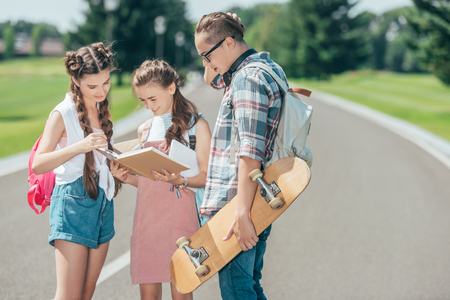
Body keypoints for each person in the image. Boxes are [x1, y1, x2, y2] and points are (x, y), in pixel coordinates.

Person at [194, 12, 289, 299]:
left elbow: (250, 150)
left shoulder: (247, 79)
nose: (206, 64)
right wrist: (214, 49)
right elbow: (216, 80)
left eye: (207, 56)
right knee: (250, 285)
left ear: (229, 43)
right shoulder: (265, 67)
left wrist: (241, 214)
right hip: (257, 198)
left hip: (240, 202)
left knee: (237, 290)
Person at [110, 59, 211, 300]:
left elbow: (207, 177)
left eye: (152, 99)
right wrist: (126, 177)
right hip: (147, 220)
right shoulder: (144, 129)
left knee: (181, 293)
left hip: (180, 219)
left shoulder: (197, 126)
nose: (148, 106)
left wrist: (181, 181)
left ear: (172, 88)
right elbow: (150, 182)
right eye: (143, 100)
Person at [32, 42, 123, 300]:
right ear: (75, 80)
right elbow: (39, 163)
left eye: (105, 83)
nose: (101, 91)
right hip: (72, 202)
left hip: (103, 201)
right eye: (92, 86)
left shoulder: (99, 107)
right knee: (69, 296)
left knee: (86, 293)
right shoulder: (62, 113)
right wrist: (79, 147)